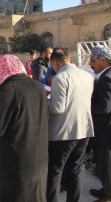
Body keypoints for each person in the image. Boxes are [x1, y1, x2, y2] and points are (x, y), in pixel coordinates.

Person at [0, 54, 49, 202]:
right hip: (39, 155)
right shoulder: (38, 86)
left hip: (16, 158)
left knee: (16, 194)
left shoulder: (7, 90)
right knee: (34, 193)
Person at [46, 47, 94, 202]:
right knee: (76, 170)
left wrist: (44, 100)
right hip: (84, 129)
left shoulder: (61, 78)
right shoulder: (87, 75)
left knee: (55, 171)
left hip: (63, 132)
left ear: (55, 62)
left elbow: (57, 108)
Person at [89, 45, 111, 202]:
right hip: (104, 127)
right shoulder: (105, 75)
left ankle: (108, 195)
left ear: (103, 60)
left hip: (106, 129)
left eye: (93, 60)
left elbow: (104, 108)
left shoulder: (107, 78)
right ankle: (106, 188)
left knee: (106, 161)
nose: (90, 63)